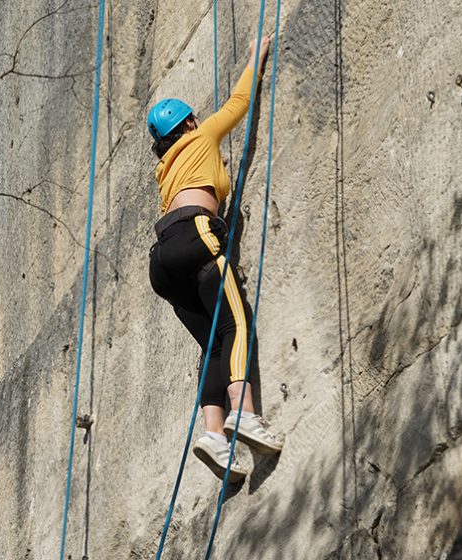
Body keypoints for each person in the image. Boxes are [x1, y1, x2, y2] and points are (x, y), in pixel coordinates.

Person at [147, 35, 283, 483]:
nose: (200, 121)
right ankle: (242, 414)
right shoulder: (201, 135)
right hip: (196, 234)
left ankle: (213, 434)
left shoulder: (165, 169)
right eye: (194, 119)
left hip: (163, 260)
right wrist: (253, 58)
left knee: (214, 345)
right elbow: (240, 102)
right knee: (237, 324)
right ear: (188, 125)